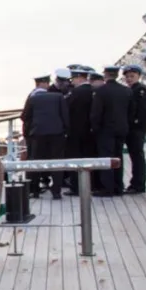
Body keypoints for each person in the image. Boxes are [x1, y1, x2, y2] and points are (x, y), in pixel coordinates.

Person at [20, 71, 69, 199]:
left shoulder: (33, 98)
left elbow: (24, 116)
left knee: (36, 161)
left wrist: (30, 131)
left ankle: (34, 190)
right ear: (46, 83)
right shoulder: (58, 97)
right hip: (57, 134)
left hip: (37, 134)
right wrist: (64, 130)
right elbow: (65, 116)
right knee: (57, 161)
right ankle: (56, 191)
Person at [91, 65, 132, 196]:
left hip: (106, 129)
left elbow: (96, 112)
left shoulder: (101, 91)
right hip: (122, 128)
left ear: (105, 75)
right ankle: (118, 187)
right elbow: (131, 111)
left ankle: (107, 188)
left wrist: (95, 127)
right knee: (118, 157)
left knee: (106, 158)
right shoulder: (126, 91)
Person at [63, 65, 95, 195]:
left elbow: (66, 108)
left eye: (73, 79)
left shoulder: (76, 92)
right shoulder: (94, 91)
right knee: (89, 158)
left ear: (80, 78)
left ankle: (76, 187)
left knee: (75, 159)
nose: (72, 82)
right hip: (90, 131)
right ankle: (91, 185)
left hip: (75, 131)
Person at [122, 63, 146, 193]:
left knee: (137, 156)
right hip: (131, 127)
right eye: (127, 76)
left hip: (137, 128)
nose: (129, 79)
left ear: (138, 76)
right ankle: (135, 183)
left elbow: (142, 111)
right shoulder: (130, 89)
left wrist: (134, 123)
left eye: (132, 76)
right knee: (134, 156)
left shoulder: (140, 90)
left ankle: (138, 185)